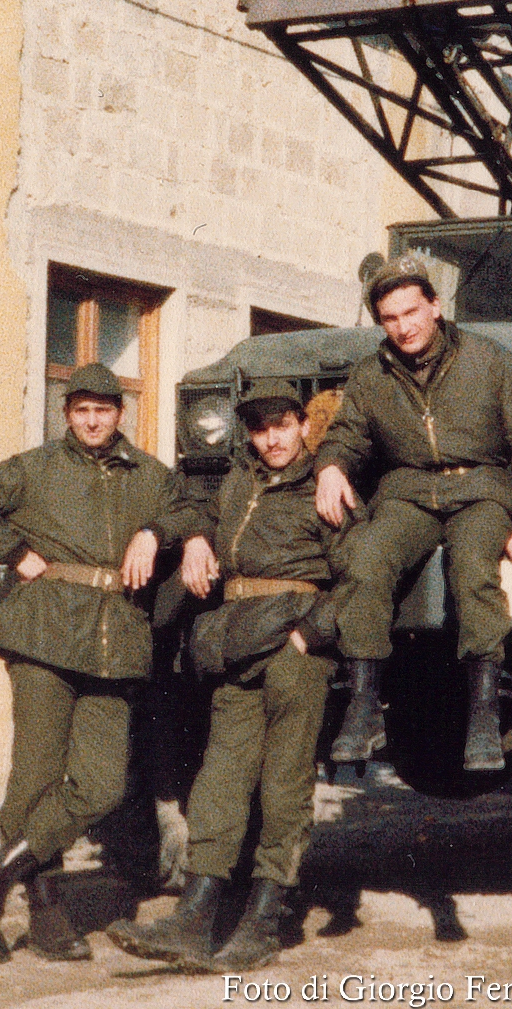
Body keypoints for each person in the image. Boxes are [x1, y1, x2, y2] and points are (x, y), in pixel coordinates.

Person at [0, 363, 202, 963]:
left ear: (119, 414)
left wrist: (155, 532)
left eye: (103, 410)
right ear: (67, 414)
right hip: (45, 635)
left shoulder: (151, 477)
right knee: (34, 779)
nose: (92, 420)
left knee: (102, 783)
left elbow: (193, 510)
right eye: (81, 409)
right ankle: (48, 914)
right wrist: (13, 552)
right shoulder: (35, 469)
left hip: (114, 644)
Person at [107, 381, 346, 971]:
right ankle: (195, 916)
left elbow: (362, 576)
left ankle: (264, 922)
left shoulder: (325, 485)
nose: (273, 440)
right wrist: (184, 537)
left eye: (283, 426)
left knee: (283, 785)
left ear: (302, 425)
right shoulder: (240, 481)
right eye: (261, 429)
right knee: (219, 781)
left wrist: (309, 636)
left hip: (294, 649)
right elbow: (191, 506)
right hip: (237, 647)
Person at [317, 256, 512, 772]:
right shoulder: (371, 373)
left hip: (480, 490)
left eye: (411, 311)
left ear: (435, 306)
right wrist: (332, 465)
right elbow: (347, 433)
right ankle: (362, 705)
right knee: (367, 556)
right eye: (390, 318)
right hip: (409, 492)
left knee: (473, 567)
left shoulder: (488, 359)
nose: (403, 327)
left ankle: (485, 713)